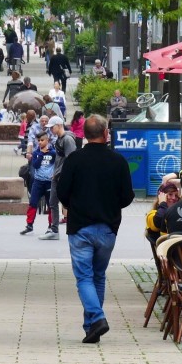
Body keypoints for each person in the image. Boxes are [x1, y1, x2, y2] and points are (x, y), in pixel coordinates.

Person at [57, 114, 135, 343]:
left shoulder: (74, 160)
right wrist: (111, 204)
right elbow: (127, 197)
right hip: (108, 227)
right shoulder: (118, 160)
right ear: (105, 133)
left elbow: (62, 192)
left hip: (80, 227)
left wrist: (73, 204)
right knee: (98, 276)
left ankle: (97, 318)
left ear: (85, 135)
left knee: (84, 277)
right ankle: (92, 327)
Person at [43, 118, 79, 240]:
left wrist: (62, 174)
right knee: (53, 202)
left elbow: (71, 159)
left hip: (63, 176)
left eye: (52, 127)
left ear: (59, 125)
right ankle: (54, 229)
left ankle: (74, 228)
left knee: (67, 203)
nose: (51, 129)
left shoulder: (67, 139)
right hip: (57, 175)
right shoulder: (60, 139)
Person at [21, 131, 58, 235]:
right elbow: (36, 165)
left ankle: (51, 226)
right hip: (38, 182)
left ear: (47, 140)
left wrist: (56, 174)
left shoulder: (53, 153)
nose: (40, 142)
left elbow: (58, 164)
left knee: (50, 204)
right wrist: (41, 153)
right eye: (38, 141)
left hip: (49, 182)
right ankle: (29, 225)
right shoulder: (36, 153)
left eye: (42, 140)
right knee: (33, 203)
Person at [145, 176, 180, 245]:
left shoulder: (179, 211)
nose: (174, 198)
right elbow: (158, 223)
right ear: (161, 197)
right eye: (170, 194)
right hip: (165, 251)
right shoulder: (151, 215)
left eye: (176, 195)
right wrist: (163, 203)